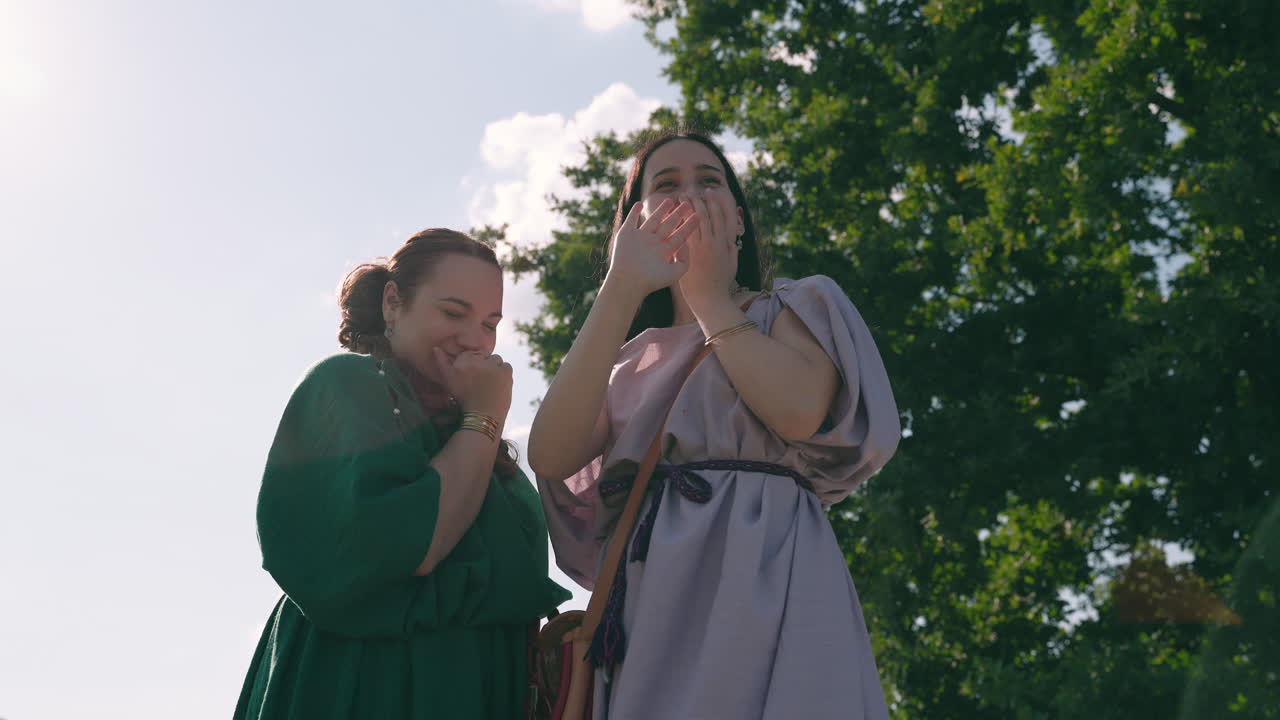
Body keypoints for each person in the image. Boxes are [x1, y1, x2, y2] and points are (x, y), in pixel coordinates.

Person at [528, 130, 901, 719]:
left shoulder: (795, 307)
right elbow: (551, 454)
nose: (690, 197)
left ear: (739, 220)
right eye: (666, 186)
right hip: (656, 596)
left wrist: (708, 297)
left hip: (773, 571)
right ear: (633, 224)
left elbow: (798, 410)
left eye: (709, 181)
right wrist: (621, 287)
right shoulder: (624, 360)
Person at [235, 228, 570, 719]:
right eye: (453, 313)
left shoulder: (483, 443)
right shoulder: (348, 385)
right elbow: (415, 542)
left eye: (490, 323)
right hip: (365, 684)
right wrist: (484, 418)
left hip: (483, 691)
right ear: (394, 303)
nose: (473, 339)